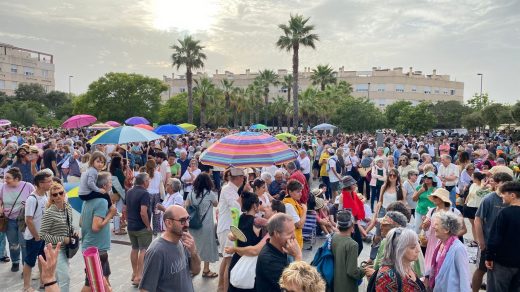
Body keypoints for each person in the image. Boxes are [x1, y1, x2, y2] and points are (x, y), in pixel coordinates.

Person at [139, 205, 201, 292]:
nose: (187, 224)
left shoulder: (183, 242)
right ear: (168, 223)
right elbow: (145, 289)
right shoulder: (157, 251)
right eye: (182, 221)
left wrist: (194, 252)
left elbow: (196, 271)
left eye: (188, 219)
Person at [473, 172, 514, 292]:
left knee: (499, 272)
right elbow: (477, 220)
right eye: (503, 184)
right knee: (481, 270)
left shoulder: (511, 199)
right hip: (488, 242)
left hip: (505, 244)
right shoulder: (489, 199)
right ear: (497, 184)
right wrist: (481, 242)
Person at [80, 171, 118, 292]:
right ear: (104, 185)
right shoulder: (102, 201)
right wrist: (110, 214)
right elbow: (96, 227)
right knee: (90, 284)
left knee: (104, 281)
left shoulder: (87, 201)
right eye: (110, 182)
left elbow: (81, 223)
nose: (112, 184)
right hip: (96, 250)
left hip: (92, 247)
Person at [40, 182, 76, 292]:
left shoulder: (68, 207)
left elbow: (69, 225)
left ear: (64, 193)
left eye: (60, 193)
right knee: (65, 278)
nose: (58, 196)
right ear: (51, 197)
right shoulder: (49, 212)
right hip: (54, 250)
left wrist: (73, 232)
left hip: (65, 248)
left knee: (59, 278)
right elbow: (42, 234)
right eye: (55, 195)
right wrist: (63, 239)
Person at [485, 181, 520, 291]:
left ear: (513, 195)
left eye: (504, 193)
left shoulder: (504, 213)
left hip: (502, 263)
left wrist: (489, 256)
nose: (501, 196)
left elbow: (495, 238)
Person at [255, 213, 302, 292]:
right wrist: (298, 256)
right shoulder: (268, 259)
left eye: (294, 231)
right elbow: (292, 287)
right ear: (276, 233)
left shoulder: (281, 249)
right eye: (290, 233)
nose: (294, 236)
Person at [0, 167, 35, 272]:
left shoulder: (27, 186)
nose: (5, 180)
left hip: (23, 220)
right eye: (5, 178)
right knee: (13, 243)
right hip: (9, 219)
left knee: (24, 243)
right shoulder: (3, 187)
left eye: (8, 178)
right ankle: (15, 261)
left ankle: (26, 266)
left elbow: (34, 198)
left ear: (16, 179)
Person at [421, 188, 466, 270]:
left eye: (436, 197)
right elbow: (425, 228)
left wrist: (449, 236)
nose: (433, 199)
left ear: (442, 199)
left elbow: (464, 230)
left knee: (444, 267)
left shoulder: (454, 212)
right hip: (432, 243)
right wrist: (425, 225)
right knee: (430, 268)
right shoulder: (431, 211)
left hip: (448, 243)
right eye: (433, 197)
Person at [23, 170, 52, 292]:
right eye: (49, 181)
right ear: (41, 184)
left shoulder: (45, 195)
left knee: (42, 259)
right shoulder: (32, 199)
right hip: (33, 237)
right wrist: (36, 236)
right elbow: (28, 220)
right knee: (29, 261)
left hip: (43, 235)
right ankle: (26, 286)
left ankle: (42, 281)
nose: (51, 183)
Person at [426, 211, 470, 291]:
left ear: (446, 229)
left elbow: (464, 276)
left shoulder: (458, 248)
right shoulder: (439, 243)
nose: (433, 227)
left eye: (436, 224)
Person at [185, 173, 219, 279]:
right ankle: (206, 269)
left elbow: (186, 206)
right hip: (206, 225)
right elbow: (216, 204)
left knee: (192, 246)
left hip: (193, 224)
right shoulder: (210, 194)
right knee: (207, 246)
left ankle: (191, 269)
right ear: (208, 182)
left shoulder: (190, 193)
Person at [228, 191, 263, 291]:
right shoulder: (257, 222)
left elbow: (233, 232)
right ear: (254, 206)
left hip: (236, 259)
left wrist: (231, 235)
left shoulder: (241, 217)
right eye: (259, 203)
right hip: (250, 263)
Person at [217, 167, 244, 292]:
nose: (244, 179)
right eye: (243, 177)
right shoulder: (228, 189)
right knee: (229, 262)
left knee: (226, 258)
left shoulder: (232, 189)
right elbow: (236, 207)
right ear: (238, 178)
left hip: (229, 228)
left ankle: (220, 287)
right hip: (227, 229)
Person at [375, 227, 426, 291]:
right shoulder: (386, 276)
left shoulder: (407, 266)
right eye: (412, 247)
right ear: (399, 250)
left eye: (417, 245)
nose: (418, 250)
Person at [126, 172, 153, 287]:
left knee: (134, 248)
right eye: (148, 180)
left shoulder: (129, 191)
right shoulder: (144, 193)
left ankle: (134, 273)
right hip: (141, 226)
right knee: (143, 250)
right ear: (144, 182)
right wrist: (148, 226)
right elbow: (143, 212)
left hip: (131, 225)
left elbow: (125, 209)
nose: (149, 182)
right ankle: (139, 276)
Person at [331, 210, 366, 292]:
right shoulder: (353, 244)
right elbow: (352, 271)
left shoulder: (334, 237)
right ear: (352, 225)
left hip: (335, 281)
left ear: (337, 225)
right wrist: (363, 270)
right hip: (347, 286)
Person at [337, 175, 366, 254]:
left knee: (359, 246)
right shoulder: (342, 196)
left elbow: (357, 207)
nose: (355, 185)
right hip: (347, 225)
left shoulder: (353, 194)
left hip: (354, 224)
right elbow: (340, 212)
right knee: (351, 248)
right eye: (353, 184)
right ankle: (349, 264)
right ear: (349, 185)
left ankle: (351, 262)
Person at [463, 171, 487, 246]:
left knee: (479, 224)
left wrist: (483, 181)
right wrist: (465, 203)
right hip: (470, 205)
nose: (471, 178)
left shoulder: (483, 186)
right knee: (473, 224)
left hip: (478, 207)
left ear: (476, 178)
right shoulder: (472, 184)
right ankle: (475, 240)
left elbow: (482, 189)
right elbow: (469, 194)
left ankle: (481, 240)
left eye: (472, 177)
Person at [282, 179, 306, 249]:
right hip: (292, 242)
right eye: (298, 192)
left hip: (295, 240)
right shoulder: (288, 205)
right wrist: (305, 210)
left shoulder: (294, 201)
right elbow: (300, 225)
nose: (301, 194)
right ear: (290, 192)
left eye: (301, 191)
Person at [144, 159, 162, 234]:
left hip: (147, 194)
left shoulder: (145, 175)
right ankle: (156, 230)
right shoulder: (159, 174)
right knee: (156, 213)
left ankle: (147, 228)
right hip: (157, 194)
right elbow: (161, 183)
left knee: (148, 212)